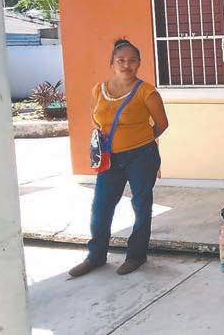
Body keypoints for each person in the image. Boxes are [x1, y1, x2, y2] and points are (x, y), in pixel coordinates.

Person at [69, 39, 169, 277]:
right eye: (121, 60)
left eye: (132, 61)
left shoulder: (147, 92)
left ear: (139, 63)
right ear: (112, 63)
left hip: (141, 156)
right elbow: (97, 121)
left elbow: (162, 124)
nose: (126, 65)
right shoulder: (98, 90)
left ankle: (136, 255)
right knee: (101, 206)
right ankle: (95, 256)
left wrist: (139, 141)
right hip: (109, 158)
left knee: (141, 205)